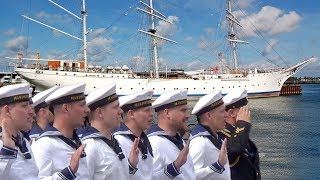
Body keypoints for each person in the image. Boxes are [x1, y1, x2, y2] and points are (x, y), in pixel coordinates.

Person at [81, 83, 139, 180]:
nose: (120, 111)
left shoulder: (115, 142)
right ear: (99, 112)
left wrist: (131, 167)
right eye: (115, 107)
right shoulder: (89, 147)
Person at [31, 83, 90, 179]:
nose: (87, 110)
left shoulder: (76, 140)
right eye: (82, 105)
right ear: (66, 108)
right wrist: (68, 173)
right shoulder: (44, 144)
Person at [147, 89, 196, 179]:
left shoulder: (178, 140)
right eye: (183, 110)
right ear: (167, 113)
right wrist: (175, 166)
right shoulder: (155, 144)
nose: (188, 115)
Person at [219, 89, 260, 180]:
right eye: (243, 109)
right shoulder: (221, 135)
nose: (248, 112)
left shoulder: (237, 133)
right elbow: (234, 150)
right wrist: (242, 124)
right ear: (232, 113)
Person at [0, 83, 39, 179]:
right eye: (25, 106)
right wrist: (7, 153)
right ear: (7, 111)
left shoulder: (23, 141)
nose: (32, 113)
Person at [113, 90, 154, 180]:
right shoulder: (119, 141)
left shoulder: (143, 139)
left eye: (151, 110)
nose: (151, 114)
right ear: (131, 114)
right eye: (147, 110)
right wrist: (131, 166)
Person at [189, 90, 230, 180]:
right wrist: (217, 166)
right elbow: (190, 175)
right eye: (222, 111)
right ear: (209, 116)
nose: (226, 115)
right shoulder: (200, 142)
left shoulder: (217, 137)